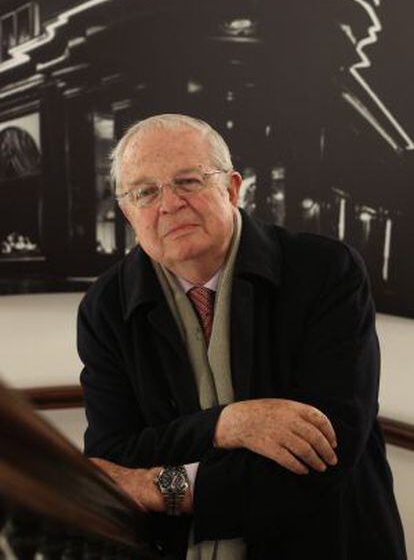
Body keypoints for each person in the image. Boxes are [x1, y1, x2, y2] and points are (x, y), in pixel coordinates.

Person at [77, 114, 406, 560]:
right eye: (146, 192)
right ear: (128, 211)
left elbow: (325, 453)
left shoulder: (326, 271)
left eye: (188, 181)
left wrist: (165, 490)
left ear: (232, 188)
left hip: (331, 541)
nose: (169, 204)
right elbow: (114, 455)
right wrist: (227, 425)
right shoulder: (105, 307)